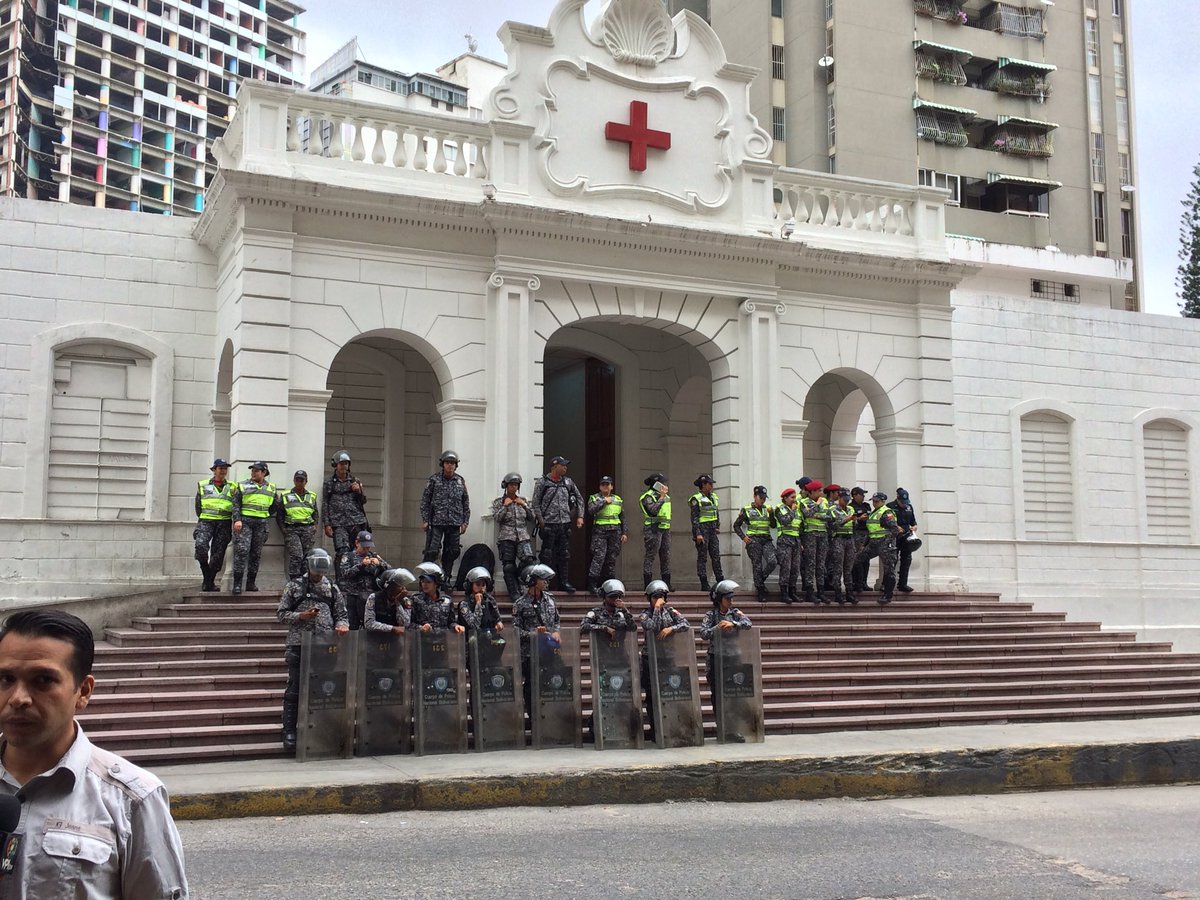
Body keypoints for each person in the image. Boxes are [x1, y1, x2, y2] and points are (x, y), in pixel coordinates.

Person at [0, 609, 190, 899]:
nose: (18, 698)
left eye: (43, 681)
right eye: (6, 679)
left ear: (83, 691)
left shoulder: (133, 800)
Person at [276, 548, 349, 752]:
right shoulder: (294, 586)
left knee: (326, 689)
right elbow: (281, 614)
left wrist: (342, 625)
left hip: (325, 645)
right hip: (299, 643)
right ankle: (290, 730)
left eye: (322, 572)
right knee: (295, 689)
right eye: (317, 572)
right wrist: (300, 616)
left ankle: (322, 728)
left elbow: (342, 614)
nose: (319, 576)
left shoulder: (332, 588)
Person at [639, 579, 690, 742]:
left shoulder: (672, 612)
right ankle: (655, 730)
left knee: (669, 694)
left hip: (668, 658)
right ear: (650, 598)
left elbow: (685, 624)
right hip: (650, 659)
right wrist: (657, 609)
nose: (659, 599)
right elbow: (652, 627)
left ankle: (671, 727)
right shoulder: (645, 614)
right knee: (652, 696)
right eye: (655, 597)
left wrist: (671, 628)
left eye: (661, 596)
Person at [531, 456, 586, 594]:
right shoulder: (543, 482)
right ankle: (545, 583)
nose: (565, 467)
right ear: (555, 466)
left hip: (564, 523)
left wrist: (580, 516)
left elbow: (579, 499)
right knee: (547, 554)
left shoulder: (568, 482)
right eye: (563, 465)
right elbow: (535, 502)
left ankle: (564, 582)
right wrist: (541, 521)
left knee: (564, 554)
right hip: (549, 523)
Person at [511, 563, 561, 712]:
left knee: (552, 682)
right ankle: (533, 714)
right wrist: (533, 634)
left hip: (549, 651)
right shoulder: (520, 604)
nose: (545, 582)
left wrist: (557, 632)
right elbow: (515, 630)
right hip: (529, 653)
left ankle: (549, 714)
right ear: (532, 581)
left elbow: (556, 620)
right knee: (531, 686)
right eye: (542, 579)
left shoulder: (550, 600)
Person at [420, 450, 470, 589]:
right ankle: (426, 579)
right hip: (436, 521)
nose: (450, 466)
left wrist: (465, 522)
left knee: (452, 551)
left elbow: (465, 502)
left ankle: (446, 579)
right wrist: (425, 519)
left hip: (454, 522)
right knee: (432, 551)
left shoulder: (460, 481)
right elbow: (425, 501)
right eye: (448, 463)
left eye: (453, 463)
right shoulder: (434, 480)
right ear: (442, 464)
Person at [231, 460, 279, 595]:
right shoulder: (242, 485)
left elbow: (276, 505)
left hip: (261, 523)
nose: (253, 473)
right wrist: (237, 520)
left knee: (256, 554)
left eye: (256, 470)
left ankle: (251, 583)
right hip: (244, 522)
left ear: (264, 473)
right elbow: (235, 504)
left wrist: (265, 515)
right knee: (242, 550)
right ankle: (237, 584)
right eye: (252, 470)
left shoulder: (272, 488)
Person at [698, 579, 752, 695]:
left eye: (731, 598)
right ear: (719, 599)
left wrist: (733, 624)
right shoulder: (711, 615)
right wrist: (718, 627)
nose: (730, 601)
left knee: (735, 689)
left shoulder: (735, 613)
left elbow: (748, 624)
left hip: (733, 655)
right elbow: (703, 633)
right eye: (727, 599)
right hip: (716, 656)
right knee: (717, 691)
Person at [322, 450, 369, 581]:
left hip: (356, 521)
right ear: (335, 465)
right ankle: (341, 581)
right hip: (338, 523)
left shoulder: (355, 480)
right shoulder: (329, 483)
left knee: (357, 552)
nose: (344, 466)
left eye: (346, 464)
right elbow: (325, 503)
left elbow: (363, 501)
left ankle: (355, 580)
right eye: (341, 463)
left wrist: (358, 491)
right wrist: (327, 524)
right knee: (342, 551)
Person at [491, 472, 537, 601]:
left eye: (516, 485)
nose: (514, 487)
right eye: (511, 485)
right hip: (507, 537)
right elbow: (497, 518)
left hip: (523, 536)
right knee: (508, 566)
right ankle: (514, 592)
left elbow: (532, 518)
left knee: (529, 560)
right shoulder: (499, 502)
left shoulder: (523, 500)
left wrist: (524, 505)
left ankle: (520, 581)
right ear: (506, 485)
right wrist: (505, 506)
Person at [855, 492, 904, 604]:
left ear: (883, 501)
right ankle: (858, 585)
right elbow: (871, 530)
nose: (874, 503)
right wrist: (864, 544)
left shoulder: (886, 512)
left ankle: (887, 595)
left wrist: (887, 542)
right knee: (856, 560)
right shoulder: (874, 513)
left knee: (889, 570)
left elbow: (895, 530)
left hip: (885, 543)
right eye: (873, 501)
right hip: (873, 543)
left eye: (877, 501)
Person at [194, 457, 235, 592]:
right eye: (220, 468)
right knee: (200, 548)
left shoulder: (233, 487)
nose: (223, 471)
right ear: (214, 470)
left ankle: (208, 583)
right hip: (206, 521)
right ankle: (207, 577)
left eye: (225, 468)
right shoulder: (203, 485)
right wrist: (202, 520)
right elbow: (198, 506)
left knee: (218, 556)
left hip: (224, 523)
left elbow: (236, 505)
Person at [732, 485, 775, 604]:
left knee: (772, 561)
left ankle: (759, 581)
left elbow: (773, 525)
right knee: (757, 565)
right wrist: (743, 537)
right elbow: (736, 525)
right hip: (753, 540)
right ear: (754, 496)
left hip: (766, 539)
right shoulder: (746, 509)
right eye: (761, 497)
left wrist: (772, 514)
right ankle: (760, 590)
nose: (763, 500)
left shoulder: (768, 509)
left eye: (764, 498)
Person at [586, 476, 627, 595]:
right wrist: (604, 501)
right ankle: (592, 585)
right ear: (600, 486)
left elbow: (622, 517)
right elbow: (591, 510)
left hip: (615, 531)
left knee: (611, 558)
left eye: (607, 484)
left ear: (611, 486)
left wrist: (624, 532)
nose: (605, 486)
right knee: (599, 557)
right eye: (603, 484)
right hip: (600, 531)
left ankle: (610, 584)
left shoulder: (618, 499)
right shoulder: (594, 498)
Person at [342, 530, 390, 630]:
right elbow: (345, 574)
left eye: (368, 547)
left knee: (370, 624)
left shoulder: (374, 556)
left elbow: (390, 572)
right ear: (357, 543)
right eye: (364, 547)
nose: (366, 550)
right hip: (354, 596)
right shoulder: (348, 557)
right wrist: (361, 565)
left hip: (370, 596)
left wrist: (380, 564)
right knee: (353, 625)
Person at [278, 469, 318, 581]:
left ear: (306, 481)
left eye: (302, 480)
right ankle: (294, 581)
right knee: (297, 555)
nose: (299, 482)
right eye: (297, 480)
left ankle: (305, 581)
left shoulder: (312, 495)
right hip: (292, 529)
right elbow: (279, 514)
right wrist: (283, 529)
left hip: (307, 529)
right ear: (294, 481)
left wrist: (315, 525)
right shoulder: (286, 495)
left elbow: (315, 512)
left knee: (306, 557)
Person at [689, 475, 723, 593]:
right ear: (703, 485)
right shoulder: (696, 498)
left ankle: (720, 581)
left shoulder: (714, 497)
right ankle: (704, 583)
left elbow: (716, 512)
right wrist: (698, 533)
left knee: (716, 556)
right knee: (703, 557)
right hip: (702, 530)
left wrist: (717, 526)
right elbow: (694, 518)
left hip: (712, 530)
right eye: (709, 484)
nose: (712, 486)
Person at [638, 472, 673, 591]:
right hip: (653, 529)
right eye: (662, 483)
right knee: (650, 556)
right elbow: (652, 510)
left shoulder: (666, 497)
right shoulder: (647, 497)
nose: (664, 485)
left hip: (665, 529)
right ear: (656, 484)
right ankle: (647, 584)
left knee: (665, 556)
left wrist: (663, 497)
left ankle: (667, 583)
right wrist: (661, 498)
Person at [799, 479, 831, 604]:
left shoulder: (825, 502)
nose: (821, 493)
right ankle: (810, 592)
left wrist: (817, 515)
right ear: (811, 492)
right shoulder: (804, 502)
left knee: (821, 564)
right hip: (810, 536)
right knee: (810, 564)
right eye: (819, 491)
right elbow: (807, 514)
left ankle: (821, 592)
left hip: (823, 535)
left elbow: (829, 516)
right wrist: (817, 505)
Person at [410, 562, 464, 634]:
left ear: (436, 583)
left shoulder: (447, 601)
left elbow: (451, 622)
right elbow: (409, 623)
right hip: (422, 640)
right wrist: (421, 628)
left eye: (428, 582)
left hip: (442, 641)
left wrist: (456, 626)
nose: (424, 584)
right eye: (422, 581)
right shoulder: (416, 599)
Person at [828, 488, 858, 605]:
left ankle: (849, 593)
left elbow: (854, 526)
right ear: (839, 498)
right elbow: (834, 525)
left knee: (848, 567)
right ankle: (838, 592)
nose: (846, 502)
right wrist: (848, 519)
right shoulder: (833, 509)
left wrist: (856, 520)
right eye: (844, 500)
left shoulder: (851, 508)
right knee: (838, 567)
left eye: (848, 500)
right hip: (838, 539)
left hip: (850, 539)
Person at [457, 566, 505, 638]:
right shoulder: (464, 604)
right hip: (471, 642)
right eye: (478, 584)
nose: (481, 588)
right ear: (471, 585)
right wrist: (478, 603)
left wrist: (499, 623)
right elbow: (474, 625)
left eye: (483, 585)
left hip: (489, 640)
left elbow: (497, 618)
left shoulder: (490, 600)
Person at [364, 568, 414, 634]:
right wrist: (391, 628)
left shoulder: (405, 600)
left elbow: (405, 624)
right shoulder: (374, 597)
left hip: (397, 639)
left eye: (403, 585)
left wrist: (397, 603)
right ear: (389, 586)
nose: (403, 589)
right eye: (399, 585)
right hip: (376, 637)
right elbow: (369, 624)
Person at [889, 487, 919, 593]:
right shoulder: (890, 507)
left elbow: (913, 522)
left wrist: (914, 527)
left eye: (906, 502)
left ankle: (903, 584)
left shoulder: (909, 507)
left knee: (906, 560)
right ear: (897, 499)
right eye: (902, 502)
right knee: (892, 560)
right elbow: (886, 522)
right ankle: (887, 584)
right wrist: (896, 527)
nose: (904, 504)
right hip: (894, 537)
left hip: (906, 537)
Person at [774, 487, 802, 604]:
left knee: (795, 568)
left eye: (795, 497)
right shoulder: (780, 509)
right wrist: (793, 511)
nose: (794, 500)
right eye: (792, 497)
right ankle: (784, 593)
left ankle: (792, 591)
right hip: (785, 541)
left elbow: (798, 526)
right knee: (786, 567)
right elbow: (785, 521)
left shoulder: (797, 509)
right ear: (785, 498)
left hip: (795, 541)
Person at [849, 486, 872, 593]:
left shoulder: (866, 506)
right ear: (855, 495)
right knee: (857, 558)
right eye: (861, 494)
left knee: (866, 558)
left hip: (867, 533)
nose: (863, 497)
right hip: (857, 533)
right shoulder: (851, 507)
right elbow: (850, 521)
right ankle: (856, 582)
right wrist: (859, 518)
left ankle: (864, 582)